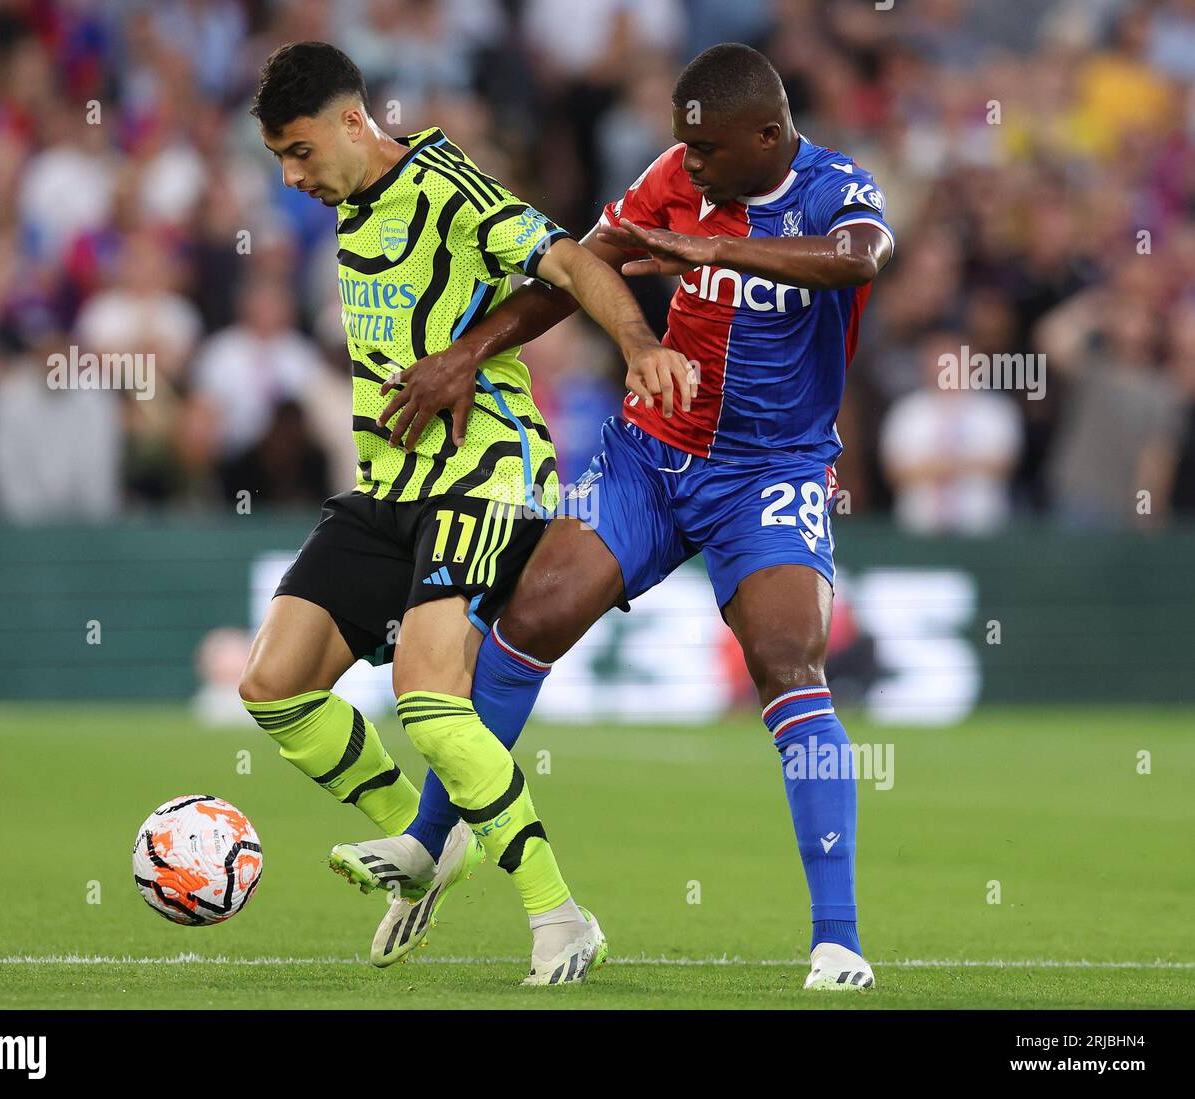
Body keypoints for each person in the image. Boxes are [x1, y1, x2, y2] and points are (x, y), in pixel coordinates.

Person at [368, 43, 891, 991]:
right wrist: (469, 352)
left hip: (769, 472)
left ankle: (838, 939)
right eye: (682, 150)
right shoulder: (669, 178)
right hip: (652, 452)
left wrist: (717, 247)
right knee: (530, 617)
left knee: (785, 660)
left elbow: (862, 260)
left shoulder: (836, 187)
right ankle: (432, 839)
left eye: (708, 154)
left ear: (769, 135)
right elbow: (577, 272)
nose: (687, 167)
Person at [239, 41, 693, 985]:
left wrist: (640, 343)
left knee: (429, 697)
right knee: (273, 684)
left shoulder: (448, 187)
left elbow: (570, 260)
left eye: (299, 152)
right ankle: (427, 844)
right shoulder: (354, 196)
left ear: (352, 122)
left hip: (487, 476)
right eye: (279, 158)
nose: (291, 177)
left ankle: (562, 917)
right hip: (390, 485)